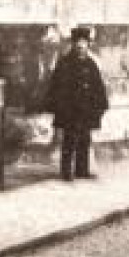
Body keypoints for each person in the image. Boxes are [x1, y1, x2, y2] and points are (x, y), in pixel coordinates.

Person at [47, 27, 108, 181]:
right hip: (70, 110)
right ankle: (66, 172)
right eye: (78, 43)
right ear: (73, 44)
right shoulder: (65, 63)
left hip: (86, 109)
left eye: (84, 42)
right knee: (69, 140)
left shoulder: (91, 64)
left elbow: (98, 86)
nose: (81, 46)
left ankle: (82, 169)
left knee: (85, 139)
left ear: (88, 44)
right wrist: (61, 107)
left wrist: (100, 104)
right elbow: (57, 87)